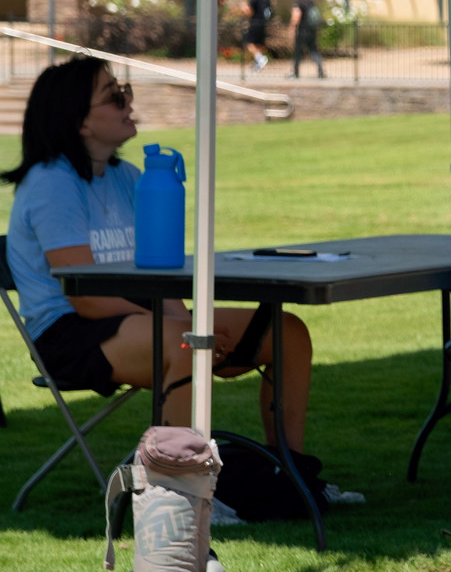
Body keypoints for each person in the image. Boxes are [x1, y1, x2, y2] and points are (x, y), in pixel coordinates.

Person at [4, 57, 313, 450]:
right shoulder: (52, 184)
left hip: (134, 313)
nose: (128, 102)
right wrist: (186, 331)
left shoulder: (130, 178)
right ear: (81, 122)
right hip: (68, 332)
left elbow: (158, 279)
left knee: (287, 333)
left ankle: (288, 473)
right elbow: (86, 297)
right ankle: (177, 489)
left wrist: (185, 319)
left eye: (125, 90)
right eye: (114, 96)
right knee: (188, 345)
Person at [289, 0, 325, 79]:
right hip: (311, 30)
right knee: (313, 51)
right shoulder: (310, 0)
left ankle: (295, 73)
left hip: (302, 30)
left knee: (297, 52)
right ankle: (321, 71)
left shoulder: (298, 2)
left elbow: (296, 16)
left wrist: (292, 29)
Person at [243, 0, 273, 71]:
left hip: (255, 23)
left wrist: (243, 8)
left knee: (249, 43)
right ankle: (258, 63)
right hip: (263, 23)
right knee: (258, 45)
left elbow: (250, 12)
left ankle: (260, 59)